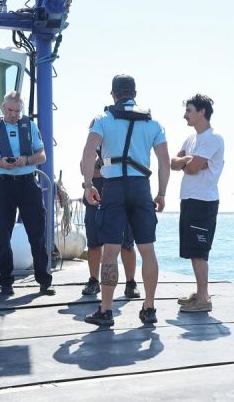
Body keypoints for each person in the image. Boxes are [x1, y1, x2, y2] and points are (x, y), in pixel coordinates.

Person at [81, 74, 169, 326]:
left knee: (110, 251)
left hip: (114, 187)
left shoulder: (103, 120)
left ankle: (106, 311)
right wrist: (161, 193)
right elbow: (164, 161)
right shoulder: (153, 123)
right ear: (135, 94)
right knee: (147, 250)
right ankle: (149, 308)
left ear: (113, 95)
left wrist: (88, 186)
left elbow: (88, 153)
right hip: (142, 187)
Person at [0, 91, 54, 296]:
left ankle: (44, 280)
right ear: (4, 108)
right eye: (10, 110)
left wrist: (26, 160)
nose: (14, 114)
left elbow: (42, 155)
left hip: (28, 184)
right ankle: (6, 282)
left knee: (36, 234)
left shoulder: (30, 126)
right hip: (3, 185)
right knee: (3, 236)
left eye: (17, 111)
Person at [170, 94, 225, 312]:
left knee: (200, 251)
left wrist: (189, 163)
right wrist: (187, 160)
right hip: (189, 199)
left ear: (202, 112)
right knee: (193, 250)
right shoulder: (190, 140)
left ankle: (204, 299)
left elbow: (193, 168)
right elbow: (174, 163)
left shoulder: (214, 138)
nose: (185, 115)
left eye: (189, 110)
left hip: (204, 202)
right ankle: (200, 292)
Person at [81, 152, 140, 298]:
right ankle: (94, 281)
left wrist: (99, 169)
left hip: (121, 197)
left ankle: (130, 283)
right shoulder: (93, 146)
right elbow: (84, 167)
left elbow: (119, 169)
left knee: (127, 244)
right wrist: (102, 168)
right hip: (95, 200)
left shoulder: (120, 144)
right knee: (94, 243)